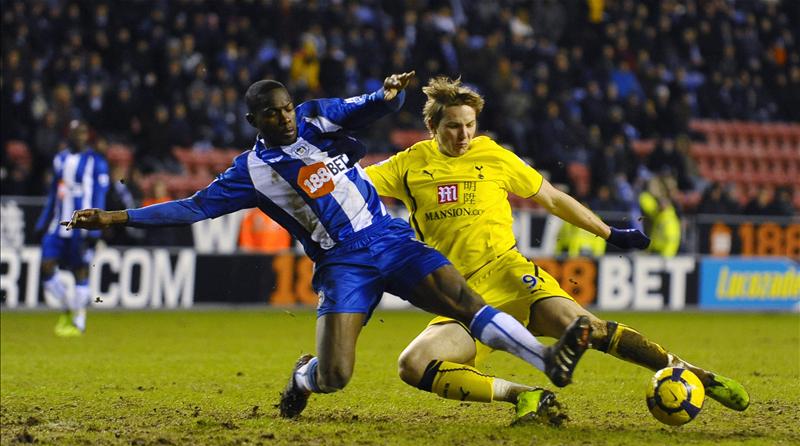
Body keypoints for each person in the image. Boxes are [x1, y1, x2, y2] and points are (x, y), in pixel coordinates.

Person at [63, 72, 593, 420]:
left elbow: (368, 107)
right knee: (335, 376)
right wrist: (115, 215)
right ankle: (303, 374)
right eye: (273, 114)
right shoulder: (249, 172)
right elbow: (193, 207)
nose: (287, 117)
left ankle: (544, 359)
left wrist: (390, 93)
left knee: (463, 299)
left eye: (288, 108)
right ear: (255, 122)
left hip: (389, 237)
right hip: (343, 264)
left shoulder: (317, 116)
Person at [365, 77, 750, 422]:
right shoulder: (409, 165)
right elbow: (351, 186)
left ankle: (699, 376)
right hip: (461, 296)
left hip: (511, 275)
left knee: (589, 329)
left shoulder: (493, 155)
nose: (463, 135)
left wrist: (609, 232)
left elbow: (551, 198)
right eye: (453, 127)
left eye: (469, 125)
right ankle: (526, 395)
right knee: (413, 365)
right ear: (432, 126)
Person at [35, 119, 109, 337]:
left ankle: (79, 321)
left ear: (88, 136)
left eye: (83, 132)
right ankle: (68, 305)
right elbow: (52, 194)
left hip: (82, 227)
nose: (80, 136)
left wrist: (95, 230)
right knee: (46, 267)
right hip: (58, 224)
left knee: (80, 271)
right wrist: (41, 223)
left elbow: (99, 197)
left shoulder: (97, 163)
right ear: (69, 134)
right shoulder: (60, 159)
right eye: (76, 132)